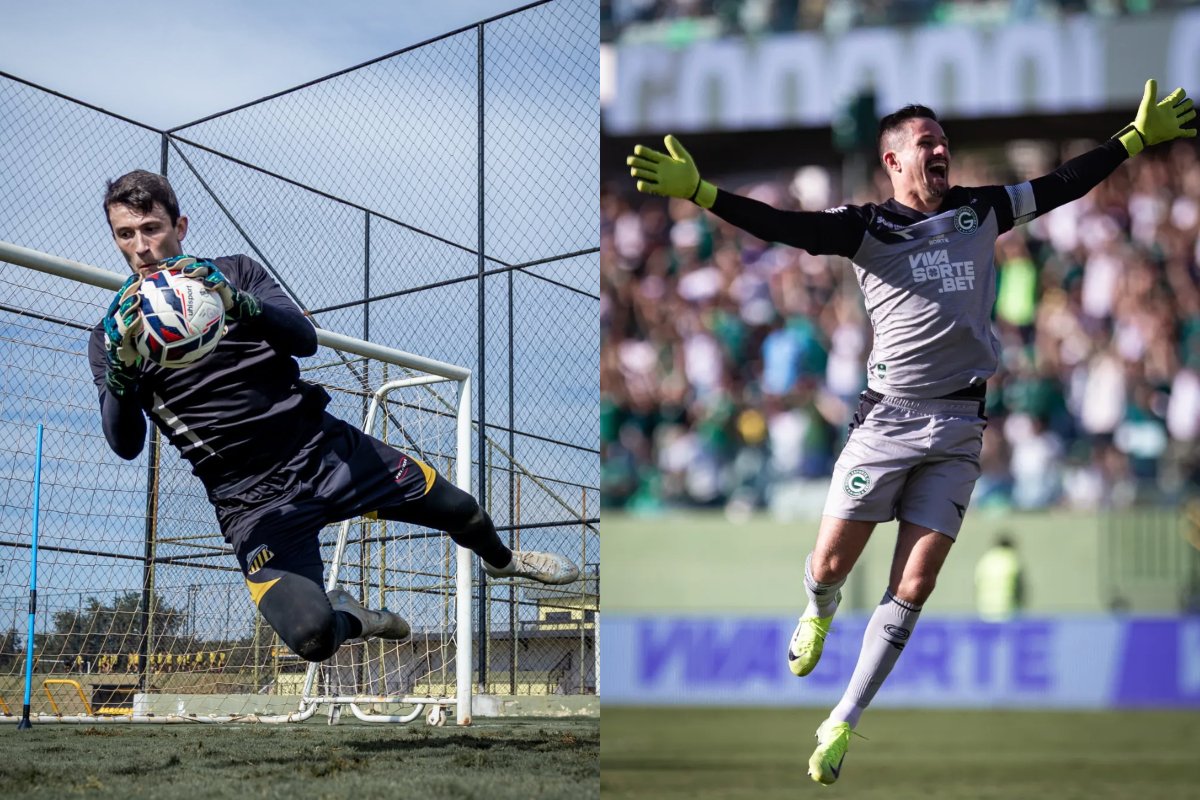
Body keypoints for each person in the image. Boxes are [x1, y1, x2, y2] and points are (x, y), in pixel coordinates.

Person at [626, 79, 1194, 784]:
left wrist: (1132, 140)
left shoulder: (982, 210)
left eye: (943, 142)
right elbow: (789, 228)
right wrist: (702, 192)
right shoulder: (868, 227)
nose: (940, 151)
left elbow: (1061, 184)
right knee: (831, 566)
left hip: (960, 424)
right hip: (888, 420)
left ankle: (842, 720)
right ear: (892, 160)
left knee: (916, 582)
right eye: (925, 143)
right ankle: (817, 608)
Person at [89, 170, 579, 665]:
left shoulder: (235, 274)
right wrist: (122, 375)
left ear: (181, 225)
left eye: (151, 228)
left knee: (462, 510)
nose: (141, 246)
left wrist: (236, 303)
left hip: (325, 452)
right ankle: (357, 618)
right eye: (125, 234)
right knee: (312, 638)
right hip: (252, 502)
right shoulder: (114, 338)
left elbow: (305, 340)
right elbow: (126, 443)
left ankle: (505, 561)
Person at [975, 534, 1024, 621]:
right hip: (1007, 610)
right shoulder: (1012, 559)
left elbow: (976, 584)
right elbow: (1020, 588)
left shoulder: (985, 559)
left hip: (985, 610)